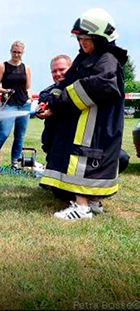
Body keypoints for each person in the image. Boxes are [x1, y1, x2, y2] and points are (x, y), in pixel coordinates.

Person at [37, 8, 128, 220]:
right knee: (83, 160)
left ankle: (82, 207)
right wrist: (51, 102)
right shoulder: (86, 58)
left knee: (85, 160)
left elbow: (93, 87)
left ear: (101, 38)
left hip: (95, 125)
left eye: (87, 38)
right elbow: (66, 83)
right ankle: (93, 203)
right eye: (80, 38)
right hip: (86, 122)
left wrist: (59, 104)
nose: (83, 42)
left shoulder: (107, 60)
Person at [0, 40, 33, 169]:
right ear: (11, 51)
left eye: (19, 52)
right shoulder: (2, 66)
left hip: (24, 105)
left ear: (23, 53)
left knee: (19, 135)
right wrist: (6, 91)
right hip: (9, 104)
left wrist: (30, 98)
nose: (16, 55)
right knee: (3, 133)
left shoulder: (26, 68)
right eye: (14, 52)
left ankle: (15, 162)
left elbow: (28, 87)